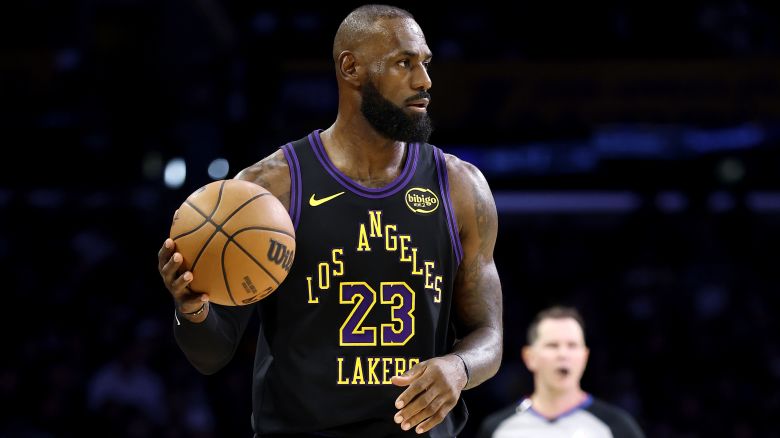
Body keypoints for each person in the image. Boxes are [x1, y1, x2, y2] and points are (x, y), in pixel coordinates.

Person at [157, 5, 503, 437]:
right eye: (404, 63)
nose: (424, 81)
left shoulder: (460, 187)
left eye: (425, 63)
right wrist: (191, 309)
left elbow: (489, 335)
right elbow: (211, 354)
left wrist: (459, 366)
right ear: (350, 68)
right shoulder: (271, 188)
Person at [477, 306, 644, 438]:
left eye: (572, 345)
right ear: (529, 357)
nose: (563, 354)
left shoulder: (617, 427)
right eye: (552, 345)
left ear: (585, 356)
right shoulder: (497, 429)